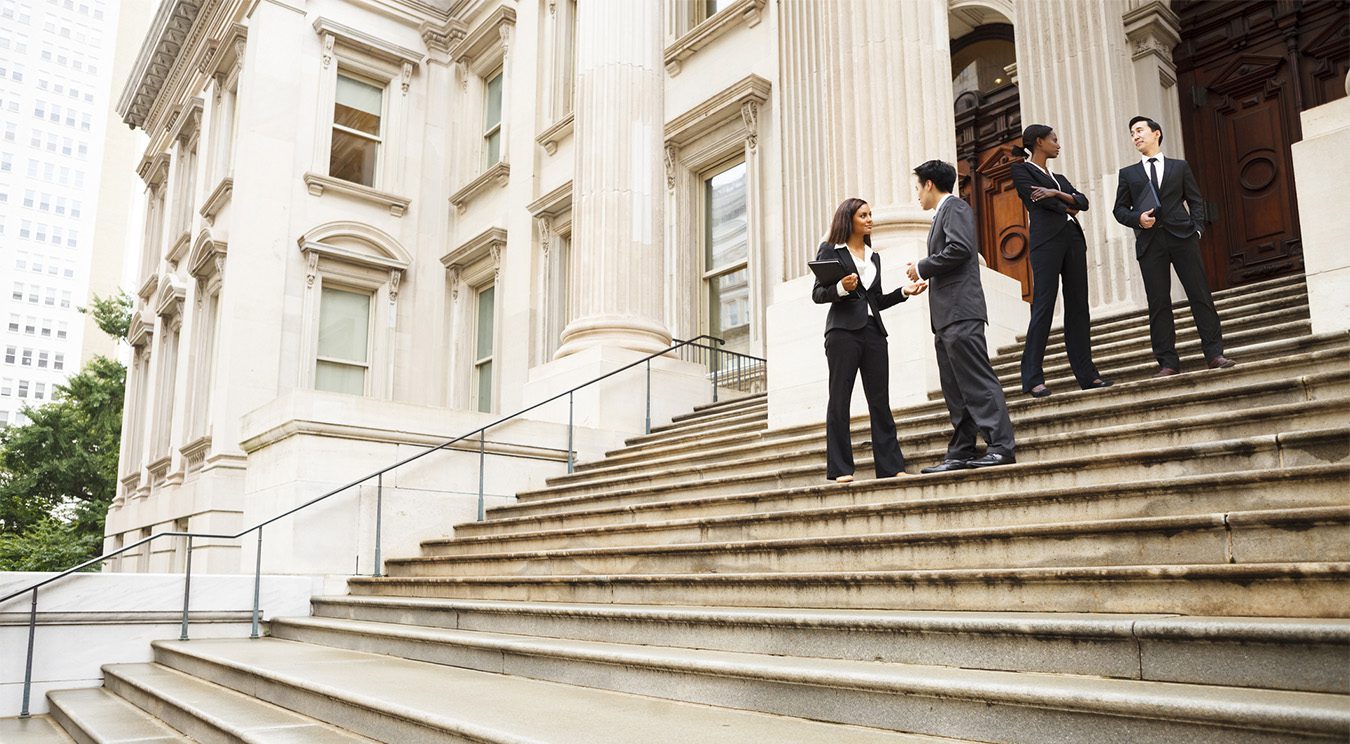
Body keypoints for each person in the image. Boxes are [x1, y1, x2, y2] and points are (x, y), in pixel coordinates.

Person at [905, 160, 1016, 472]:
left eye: (917, 187)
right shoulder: (942, 214)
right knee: (955, 389)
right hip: (945, 315)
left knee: (977, 381)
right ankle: (962, 450)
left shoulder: (954, 208)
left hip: (961, 311)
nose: (916, 195)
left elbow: (960, 249)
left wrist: (923, 266)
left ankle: (1001, 446)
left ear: (929, 184)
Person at [811, 198, 928, 483]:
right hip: (842, 333)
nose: (869, 219)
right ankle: (840, 469)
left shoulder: (873, 256)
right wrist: (840, 287)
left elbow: (875, 299)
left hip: (873, 332)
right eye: (863, 215)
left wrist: (904, 291)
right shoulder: (831, 250)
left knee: (880, 400)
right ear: (848, 219)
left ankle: (890, 466)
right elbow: (818, 293)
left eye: (870, 215)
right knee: (840, 400)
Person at [1112, 115, 1234, 376]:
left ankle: (1214, 354)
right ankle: (1167, 362)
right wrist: (1138, 219)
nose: (1135, 136)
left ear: (1156, 133)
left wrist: (1197, 229)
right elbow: (1119, 210)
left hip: (1183, 238)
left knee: (1200, 295)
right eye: (1132, 132)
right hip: (1150, 243)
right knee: (1158, 303)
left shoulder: (1179, 167)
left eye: (1140, 130)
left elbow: (1195, 199)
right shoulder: (1128, 174)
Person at [1009, 124, 1111, 398]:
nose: (1058, 143)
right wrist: (1066, 203)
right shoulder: (1020, 170)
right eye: (1053, 139)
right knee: (1044, 304)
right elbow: (1036, 199)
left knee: (1079, 306)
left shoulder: (1059, 178)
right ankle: (1032, 378)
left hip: (1073, 240)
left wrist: (1055, 194)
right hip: (1046, 242)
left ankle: (1088, 376)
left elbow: (1083, 203)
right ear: (1039, 142)